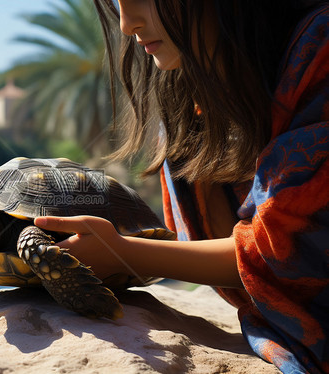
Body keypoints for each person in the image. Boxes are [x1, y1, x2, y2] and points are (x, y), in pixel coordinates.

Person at [34, 0, 329, 372]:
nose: (127, 24)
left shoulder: (321, 50)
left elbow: (291, 250)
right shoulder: (195, 101)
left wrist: (125, 253)